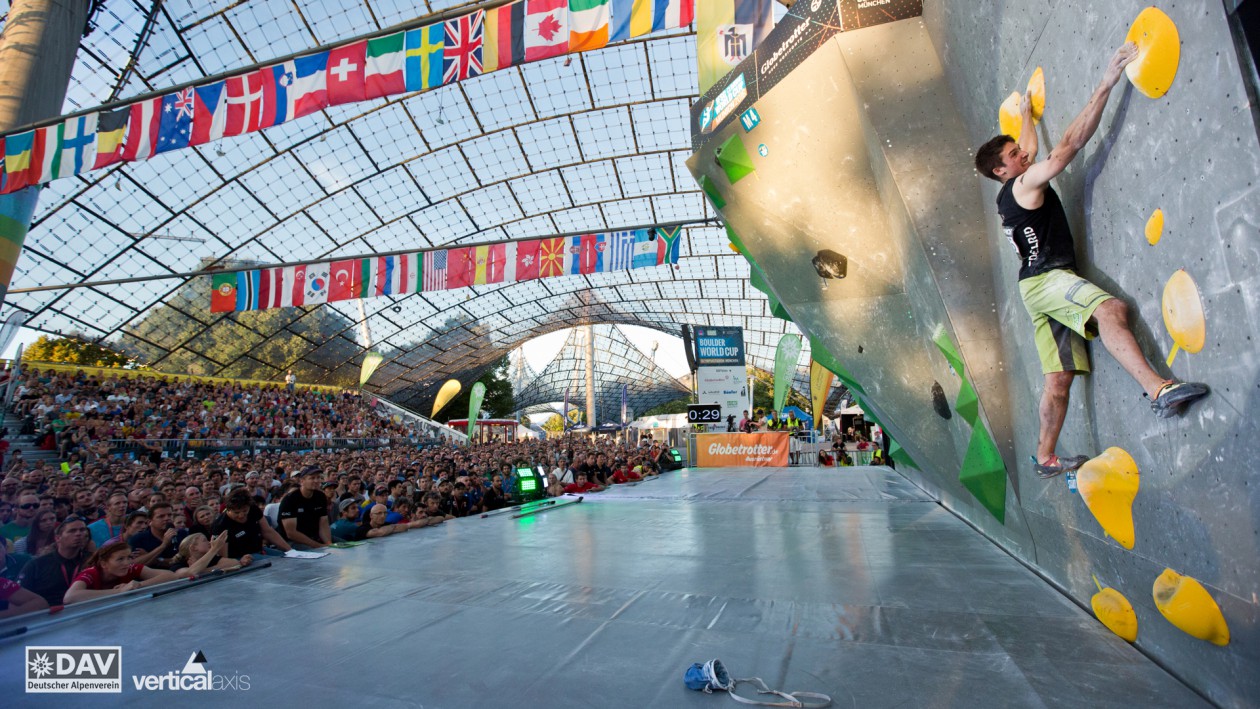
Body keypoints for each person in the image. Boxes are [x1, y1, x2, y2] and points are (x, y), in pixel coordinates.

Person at [974, 42, 1209, 478]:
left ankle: (1044, 457)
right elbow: (1068, 146)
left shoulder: (1009, 191)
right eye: (1013, 157)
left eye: (1019, 152)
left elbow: (1028, 145)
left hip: (1033, 289)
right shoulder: (1024, 183)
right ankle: (1158, 391)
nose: (1024, 154)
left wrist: (1026, 115)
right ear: (1001, 172)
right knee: (1111, 310)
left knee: (1058, 379)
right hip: (1048, 279)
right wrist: (1106, 82)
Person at [63, 542, 178, 604]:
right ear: (104, 564)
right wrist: (119, 591)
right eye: (120, 559)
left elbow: (170, 575)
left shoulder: (130, 568)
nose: (127, 562)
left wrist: (139, 585)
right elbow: (70, 597)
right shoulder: (91, 573)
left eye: (128, 557)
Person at [18, 517, 92, 606]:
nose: (78, 534)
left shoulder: (93, 560)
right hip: (50, 614)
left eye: (82, 530)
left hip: (86, 610)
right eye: (72, 531)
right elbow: (21, 595)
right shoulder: (37, 565)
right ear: (58, 538)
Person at [213, 488, 292, 558]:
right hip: (240, 557)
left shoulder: (253, 509)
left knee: (285, 557)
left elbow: (268, 531)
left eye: (245, 511)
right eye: (236, 512)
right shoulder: (220, 525)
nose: (241, 515)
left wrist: (290, 550)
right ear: (228, 509)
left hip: (258, 549)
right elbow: (224, 557)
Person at [278, 466, 331, 548]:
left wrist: (329, 544)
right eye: (312, 478)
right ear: (302, 481)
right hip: (292, 542)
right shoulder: (290, 499)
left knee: (343, 547)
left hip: (315, 537)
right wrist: (318, 546)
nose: (316, 481)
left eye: (318, 478)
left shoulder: (320, 496)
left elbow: (323, 524)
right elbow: (291, 533)